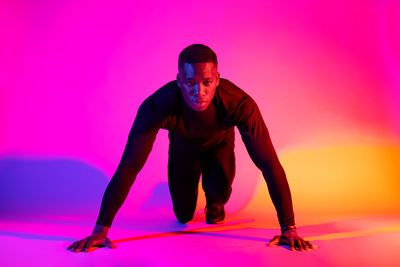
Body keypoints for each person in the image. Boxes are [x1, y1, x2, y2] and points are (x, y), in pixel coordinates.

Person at [67, 44, 315, 252]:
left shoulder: (239, 104)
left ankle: (215, 203)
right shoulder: (157, 107)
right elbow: (129, 167)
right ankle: (188, 195)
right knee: (183, 215)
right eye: (190, 83)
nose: (199, 92)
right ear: (179, 81)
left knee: (217, 196)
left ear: (217, 79)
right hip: (182, 149)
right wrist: (101, 230)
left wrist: (288, 228)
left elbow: (268, 163)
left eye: (207, 82)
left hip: (219, 145)